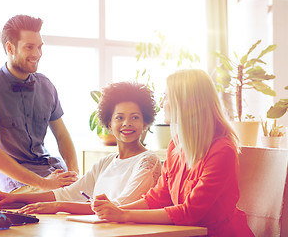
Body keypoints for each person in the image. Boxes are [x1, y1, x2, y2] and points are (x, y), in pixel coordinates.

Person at [91, 70, 254, 236]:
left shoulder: (222, 150)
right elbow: (157, 199)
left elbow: (189, 212)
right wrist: (114, 211)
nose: (162, 104)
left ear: (186, 103)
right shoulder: (175, 146)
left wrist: (123, 215)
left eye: (166, 97)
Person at [0, 81, 162, 215]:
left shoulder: (148, 161)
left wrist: (59, 206)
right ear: (108, 123)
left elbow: (118, 206)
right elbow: (68, 193)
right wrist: (15, 198)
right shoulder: (106, 163)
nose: (127, 124)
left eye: (135, 118)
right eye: (119, 118)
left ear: (145, 122)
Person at [0, 15, 78, 193]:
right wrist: (44, 184)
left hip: (52, 173)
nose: (37, 54)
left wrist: (74, 175)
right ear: (10, 48)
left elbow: (63, 136)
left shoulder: (47, 86)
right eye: (29, 47)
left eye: (39, 47)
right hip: (19, 183)